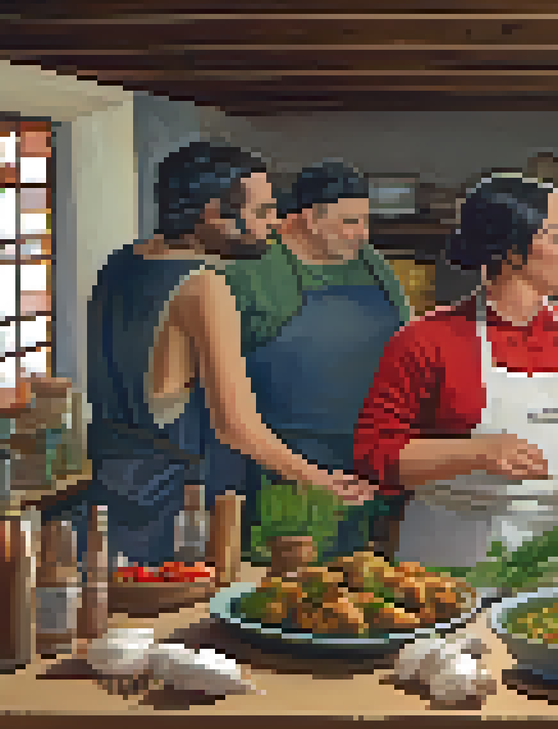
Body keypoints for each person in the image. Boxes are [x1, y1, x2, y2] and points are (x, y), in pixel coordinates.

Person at [73, 141, 369, 566]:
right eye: (263, 212)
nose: (275, 223)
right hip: (168, 506)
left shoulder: (121, 262)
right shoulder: (203, 286)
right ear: (213, 214)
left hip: (108, 494)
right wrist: (321, 480)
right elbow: (236, 425)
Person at [354, 174, 558, 568]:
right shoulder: (425, 340)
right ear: (510, 251)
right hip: (452, 564)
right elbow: (374, 454)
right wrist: (475, 452)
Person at [213, 159, 413, 558]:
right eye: (349, 222)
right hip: (283, 473)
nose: (363, 233)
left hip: (365, 469)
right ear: (308, 219)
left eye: (364, 221)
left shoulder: (371, 264)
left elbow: (407, 340)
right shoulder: (252, 273)